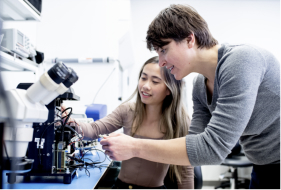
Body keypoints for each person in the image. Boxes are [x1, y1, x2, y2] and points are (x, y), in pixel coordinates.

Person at [100, 4, 280, 189]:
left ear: (189, 39)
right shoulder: (199, 87)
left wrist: (134, 147)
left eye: (164, 50)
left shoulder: (242, 60)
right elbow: (194, 147)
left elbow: (212, 149)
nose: (161, 62)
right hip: (263, 166)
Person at [62, 56, 194, 189]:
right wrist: (69, 122)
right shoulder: (127, 110)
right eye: (143, 78)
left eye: (155, 81)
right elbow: (94, 130)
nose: (145, 86)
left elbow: (185, 171)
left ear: (169, 89)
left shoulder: (180, 122)